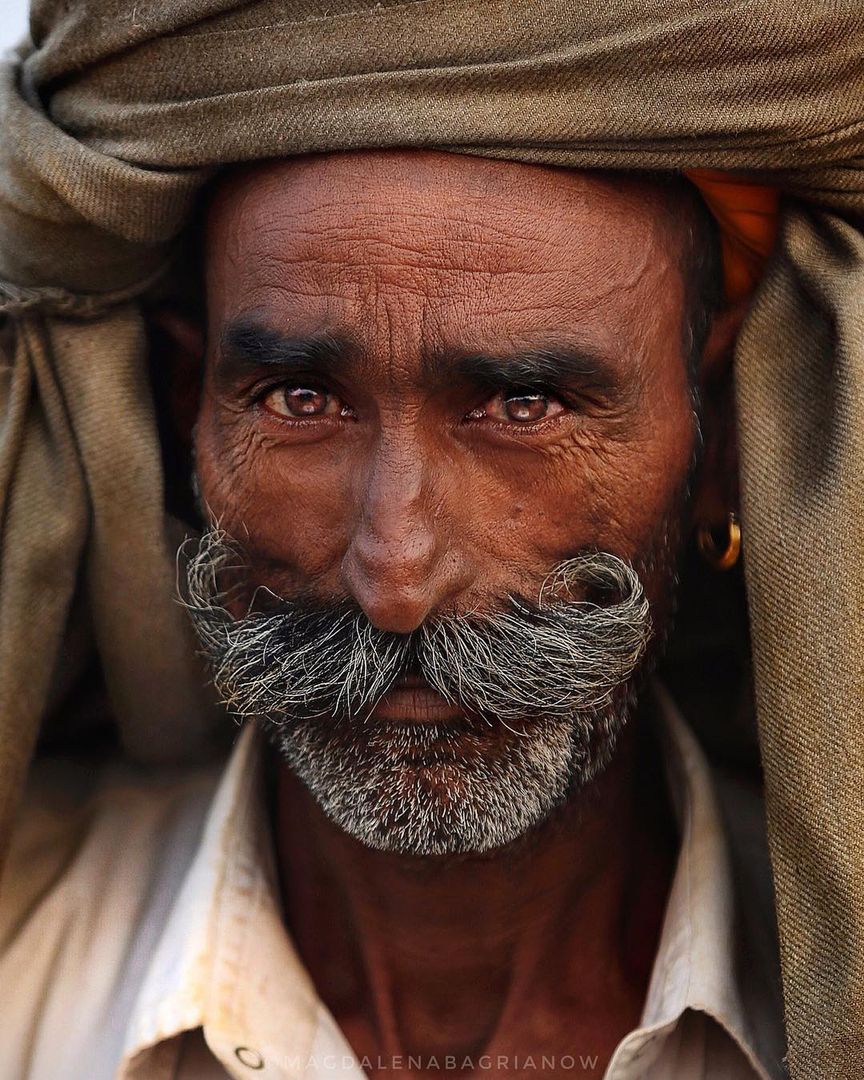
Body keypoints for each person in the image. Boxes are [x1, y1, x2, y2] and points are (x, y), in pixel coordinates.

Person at [0, 4, 862, 1079]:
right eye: (302, 399)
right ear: (190, 417)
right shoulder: (23, 962)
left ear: (723, 436)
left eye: (524, 405)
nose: (394, 578)